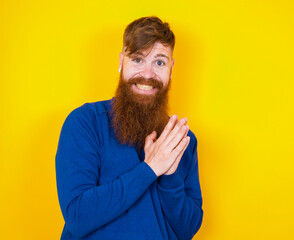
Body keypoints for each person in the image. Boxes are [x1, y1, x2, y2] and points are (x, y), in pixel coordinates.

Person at [55, 16, 203, 240]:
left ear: (171, 69)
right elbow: (78, 215)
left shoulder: (181, 139)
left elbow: (188, 228)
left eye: (159, 62)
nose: (148, 74)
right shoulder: (85, 122)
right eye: (137, 60)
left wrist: (170, 176)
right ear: (121, 61)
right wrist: (151, 169)